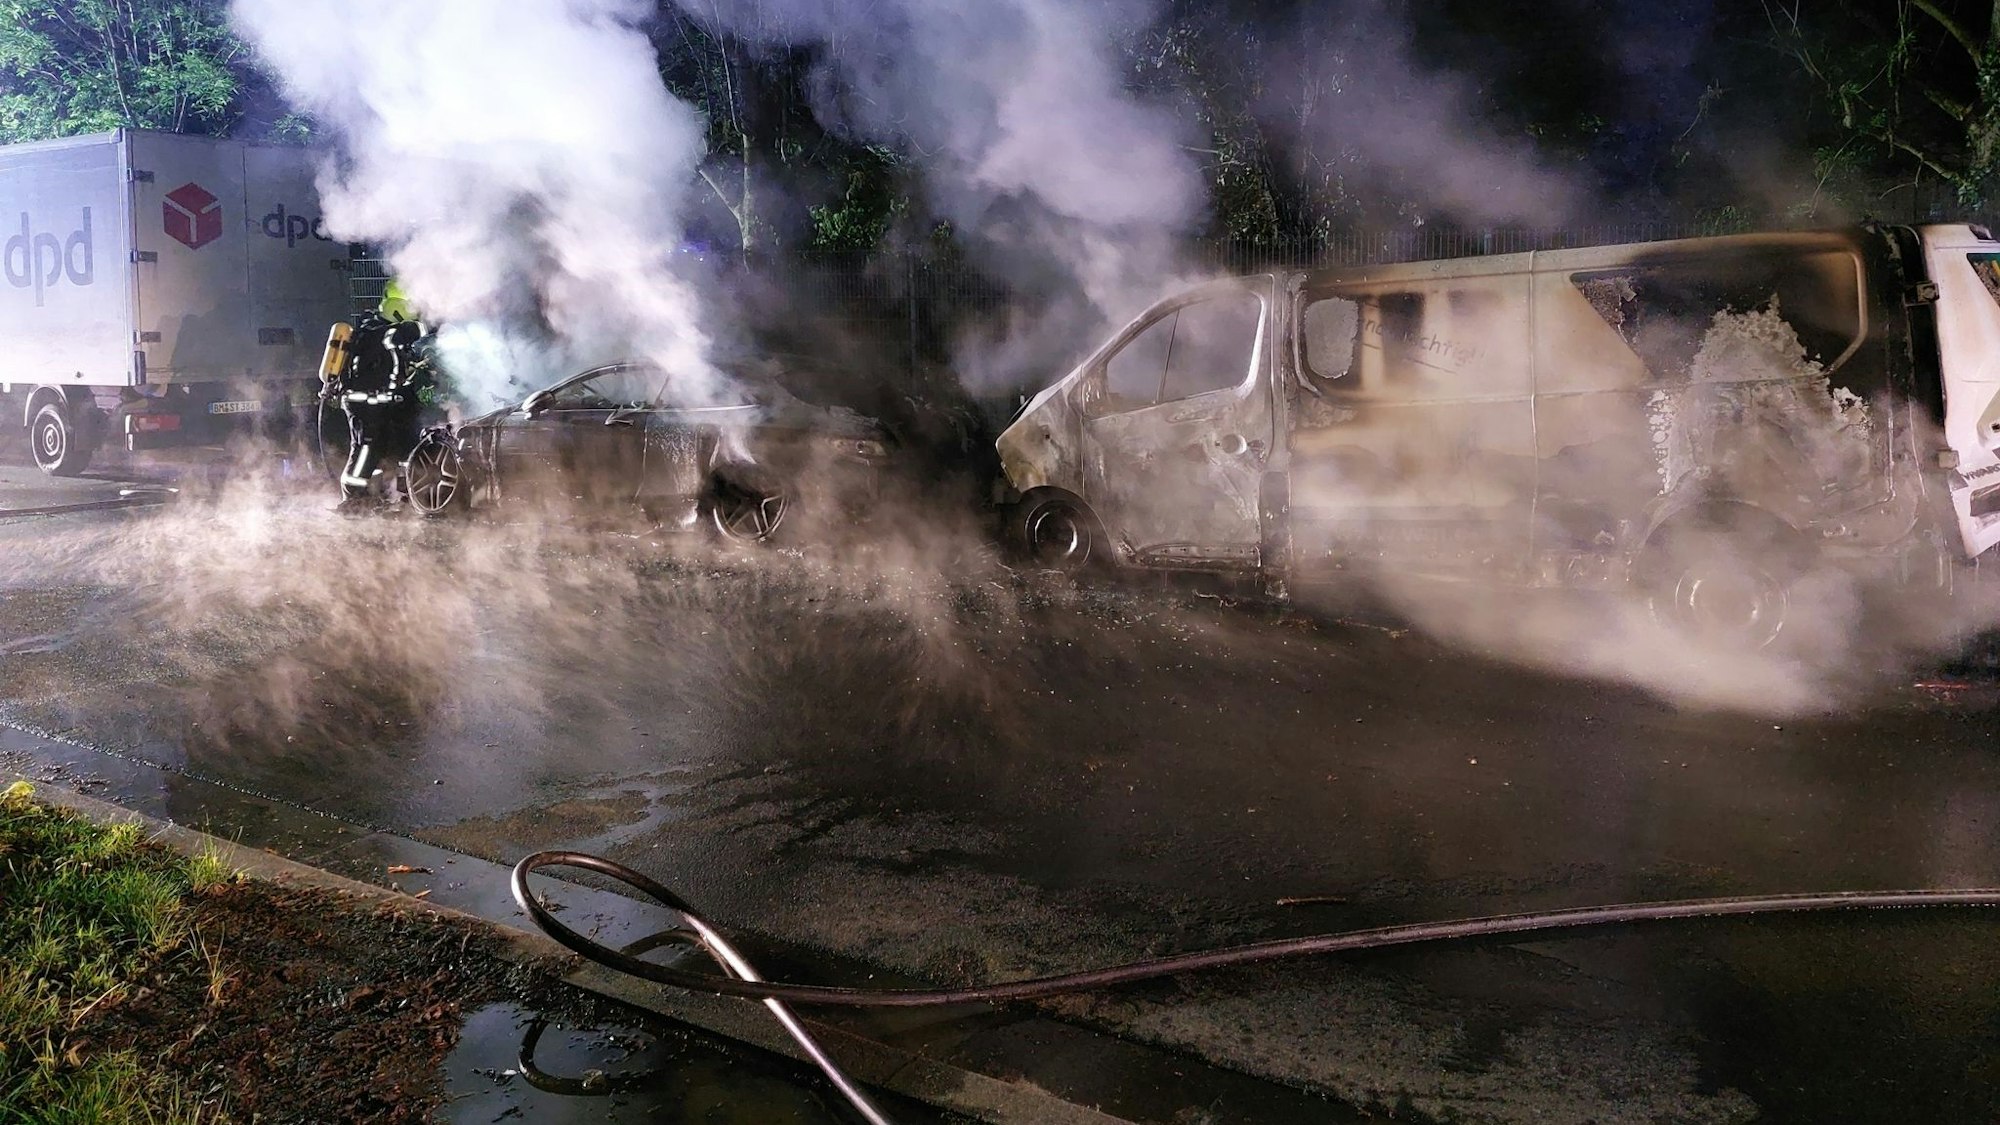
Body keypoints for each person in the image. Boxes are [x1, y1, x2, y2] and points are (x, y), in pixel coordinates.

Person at [336, 283, 433, 512]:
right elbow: (411, 332)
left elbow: (393, 367)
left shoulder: (371, 331)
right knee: (366, 448)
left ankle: (377, 494)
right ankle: (354, 497)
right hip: (365, 403)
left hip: (374, 402)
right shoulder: (387, 332)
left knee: (383, 447)